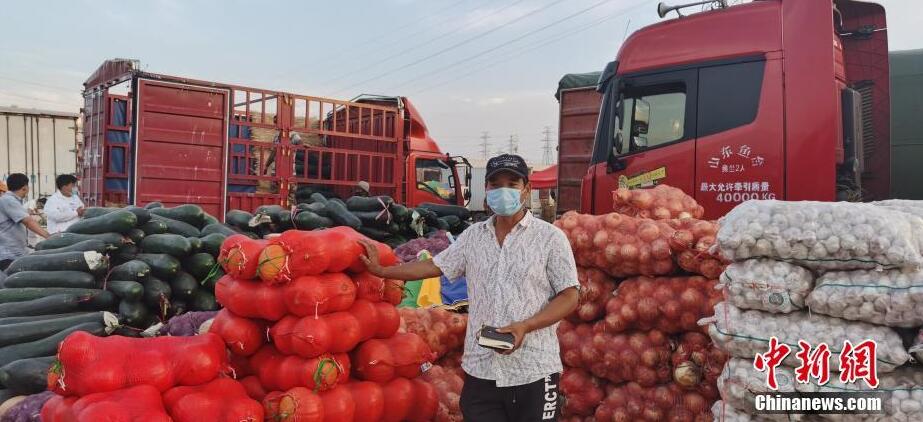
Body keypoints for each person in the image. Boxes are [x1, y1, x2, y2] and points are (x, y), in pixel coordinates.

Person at [360, 154, 579, 422]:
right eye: (495, 184)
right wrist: (384, 271)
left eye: (512, 184)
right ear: (486, 189)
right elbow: (435, 266)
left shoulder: (550, 238)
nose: (504, 191)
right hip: (481, 369)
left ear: (527, 189)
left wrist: (526, 326)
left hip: (533, 369)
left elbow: (570, 295)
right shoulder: (474, 236)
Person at [0, 174, 49, 270]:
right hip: (9, 255)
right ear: (25, 187)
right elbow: (28, 221)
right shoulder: (8, 200)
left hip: (14, 252)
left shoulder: (9, 200)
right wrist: (48, 236)